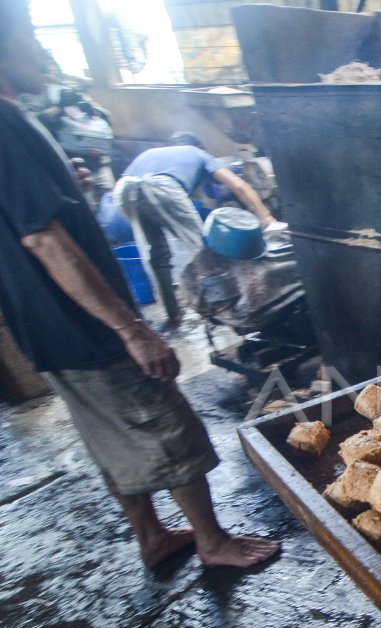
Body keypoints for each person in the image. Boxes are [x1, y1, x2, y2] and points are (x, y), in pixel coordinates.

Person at [0, 19, 280, 570]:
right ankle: (213, 542)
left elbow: (26, 222)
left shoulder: (17, 125)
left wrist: (70, 191)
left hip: (45, 328)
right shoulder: (6, 124)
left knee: (109, 436)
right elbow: (43, 239)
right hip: (86, 327)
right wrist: (132, 328)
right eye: (28, 38)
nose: (40, 51)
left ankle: (152, 536)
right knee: (162, 422)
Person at [113, 132, 277, 323]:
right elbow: (238, 185)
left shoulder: (154, 153)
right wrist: (266, 217)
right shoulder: (198, 153)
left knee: (155, 252)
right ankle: (230, 305)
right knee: (203, 248)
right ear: (200, 147)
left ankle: (172, 312)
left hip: (123, 190)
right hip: (161, 186)